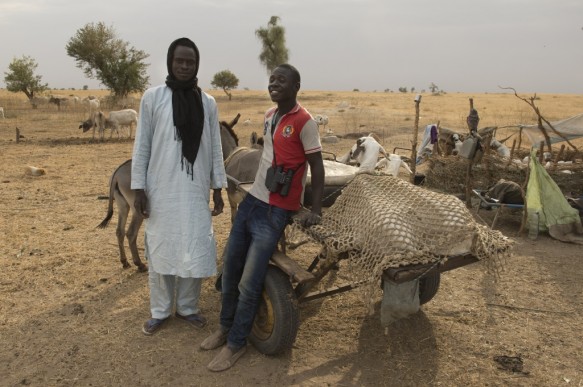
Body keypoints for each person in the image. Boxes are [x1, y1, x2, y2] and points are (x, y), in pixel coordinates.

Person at [200, 64, 325, 372]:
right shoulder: (270, 117)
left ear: (296, 86)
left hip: (275, 212)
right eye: (272, 79)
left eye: (282, 80)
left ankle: (237, 343)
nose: (274, 83)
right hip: (252, 201)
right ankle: (224, 327)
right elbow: (268, 155)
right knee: (230, 270)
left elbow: (317, 168)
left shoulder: (305, 121)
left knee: (250, 281)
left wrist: (316, 209)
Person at [131, 37, 226, 336]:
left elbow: (214, 148)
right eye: (179, 61)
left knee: (193, 244)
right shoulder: (153, 98)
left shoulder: (207, 102)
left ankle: (187, 307)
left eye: (190, 62)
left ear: (197, 65)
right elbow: (142, 145)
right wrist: (138, 188)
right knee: (161, 246)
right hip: (161, 188)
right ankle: (159, 311)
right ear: (170, 62)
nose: (184, 66)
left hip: (195, 189)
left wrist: (218, 187)